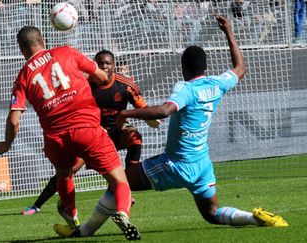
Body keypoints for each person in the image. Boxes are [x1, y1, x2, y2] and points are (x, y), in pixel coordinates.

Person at [54, 14, 289, 239]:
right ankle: (254, 217)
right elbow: (240, 69)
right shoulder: (217, 84)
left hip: (175, 164)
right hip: (202, 165)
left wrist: (126, 112)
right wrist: (229, 31)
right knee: (212, 214)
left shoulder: (186, 88)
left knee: (121, 182)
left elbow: (165, 110)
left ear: (184, 68)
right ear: (204, 66)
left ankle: (83, 231)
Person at [0, 26, 140, 240]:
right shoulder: (66, 52)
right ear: (42, 40)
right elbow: (101, 77)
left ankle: (73, 221)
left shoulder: (23, 77)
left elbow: (14, 120)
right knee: (120, 181)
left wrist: (7, 144)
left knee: (64, 173)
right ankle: (121, 212)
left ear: (21, 49)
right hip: (86, 128)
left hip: (55, 138)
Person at [22, 50, 159, 216]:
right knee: (67, 170)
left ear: (114, 65)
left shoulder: (126, 85)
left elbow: (142, 108)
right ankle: (37, 205)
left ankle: (129, 183)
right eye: (101, 63)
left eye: (108, 63)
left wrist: (152, 118)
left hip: (116, 131)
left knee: (135, 137)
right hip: (91, 134)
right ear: (95, 64)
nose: (104, 67)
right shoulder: (83, 83)